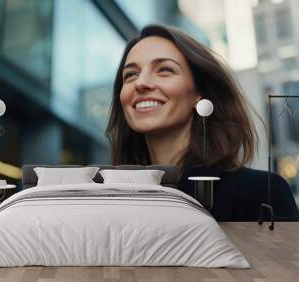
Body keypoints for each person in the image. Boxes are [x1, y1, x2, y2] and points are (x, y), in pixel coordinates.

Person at [106, 24, 298, 221]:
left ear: (200, 93)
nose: (141, 83)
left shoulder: (260, 192)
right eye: (131, 74)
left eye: (164, 70)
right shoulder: (109, 202)